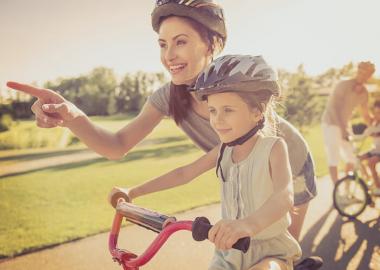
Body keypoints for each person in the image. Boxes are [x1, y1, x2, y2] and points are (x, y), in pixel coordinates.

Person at [7, 1, 319, 268]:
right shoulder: (168, 96)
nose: (169, 54)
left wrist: (251, 223)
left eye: (180, 41)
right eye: (162, 43)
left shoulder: (238, 83)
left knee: (277, 255)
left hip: (288, 169)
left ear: (212, 44)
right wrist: (72, 117)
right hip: (236, 168)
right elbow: (117, 146)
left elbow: (275, 182)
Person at [111, 54, 302, 269]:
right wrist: (133, 192)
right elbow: (184, 173)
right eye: (213, 111)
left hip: (270, 251)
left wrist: (249, 225)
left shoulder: (273, 148)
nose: (217, 120)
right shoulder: (223, 151)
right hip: (228, 252)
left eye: (228, 110)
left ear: (257, 112)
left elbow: (284, 196)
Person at [321, 61, 376, 183]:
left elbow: (366, 114)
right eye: (361, 71)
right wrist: (342, 130)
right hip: (331, 123)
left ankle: (345, 190)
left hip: (345, 125)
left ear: (369, 75)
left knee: (352, 158)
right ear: (357, 70)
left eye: (366, 73)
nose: (362, 75)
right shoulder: (343, 85)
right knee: (333, 157)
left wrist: (376, 123)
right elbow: (333, 108)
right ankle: (337, 191)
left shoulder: (364, 93)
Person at [357, 100, 380, 195]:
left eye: (379, 113)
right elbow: (364, 135)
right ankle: (369, 179)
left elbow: (376, 133)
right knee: (358, 158)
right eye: (375, 113)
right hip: (375, 150)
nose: (377, 115)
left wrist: (375, 134)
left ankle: (378, 187)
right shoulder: (374, 124)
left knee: (370, 163)